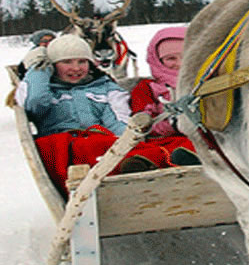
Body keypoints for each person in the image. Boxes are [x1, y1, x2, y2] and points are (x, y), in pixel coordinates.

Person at [14, 34, 180, 196]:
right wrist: (39, 68)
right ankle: (144, 162)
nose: (76, 68)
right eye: (66, 62)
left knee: (170, 142)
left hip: (101, 139)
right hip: (63, 143)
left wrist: (125, 143)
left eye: (82, 61)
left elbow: (117, 119)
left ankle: (147, 160)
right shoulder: (46, 90)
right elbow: (35, 100)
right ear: (53, 65)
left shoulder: (104, 87)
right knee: (86, 146)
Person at [129, 27, 200, 165]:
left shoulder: (203, 83)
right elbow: (143, 121)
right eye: (170, 58)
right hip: (163, 139)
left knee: (197, 146)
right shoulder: (147, 88)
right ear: (158, 60)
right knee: (153, 151)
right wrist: (171, 124)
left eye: (185, 56)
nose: (179, 63)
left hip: (200, 137)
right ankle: (141, 164)